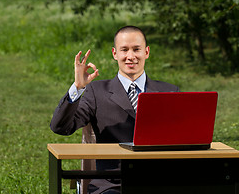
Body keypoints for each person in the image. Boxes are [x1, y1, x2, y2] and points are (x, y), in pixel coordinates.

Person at [50, 26, 180, 194]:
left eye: (136, 49)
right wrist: (77, 87)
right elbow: (61, 127)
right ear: (115, 53)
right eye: (124, 50)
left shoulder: (169, 91)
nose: (130, 56)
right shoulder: (97, 91)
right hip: (112, 185)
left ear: (146, 52)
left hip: (160, 182)